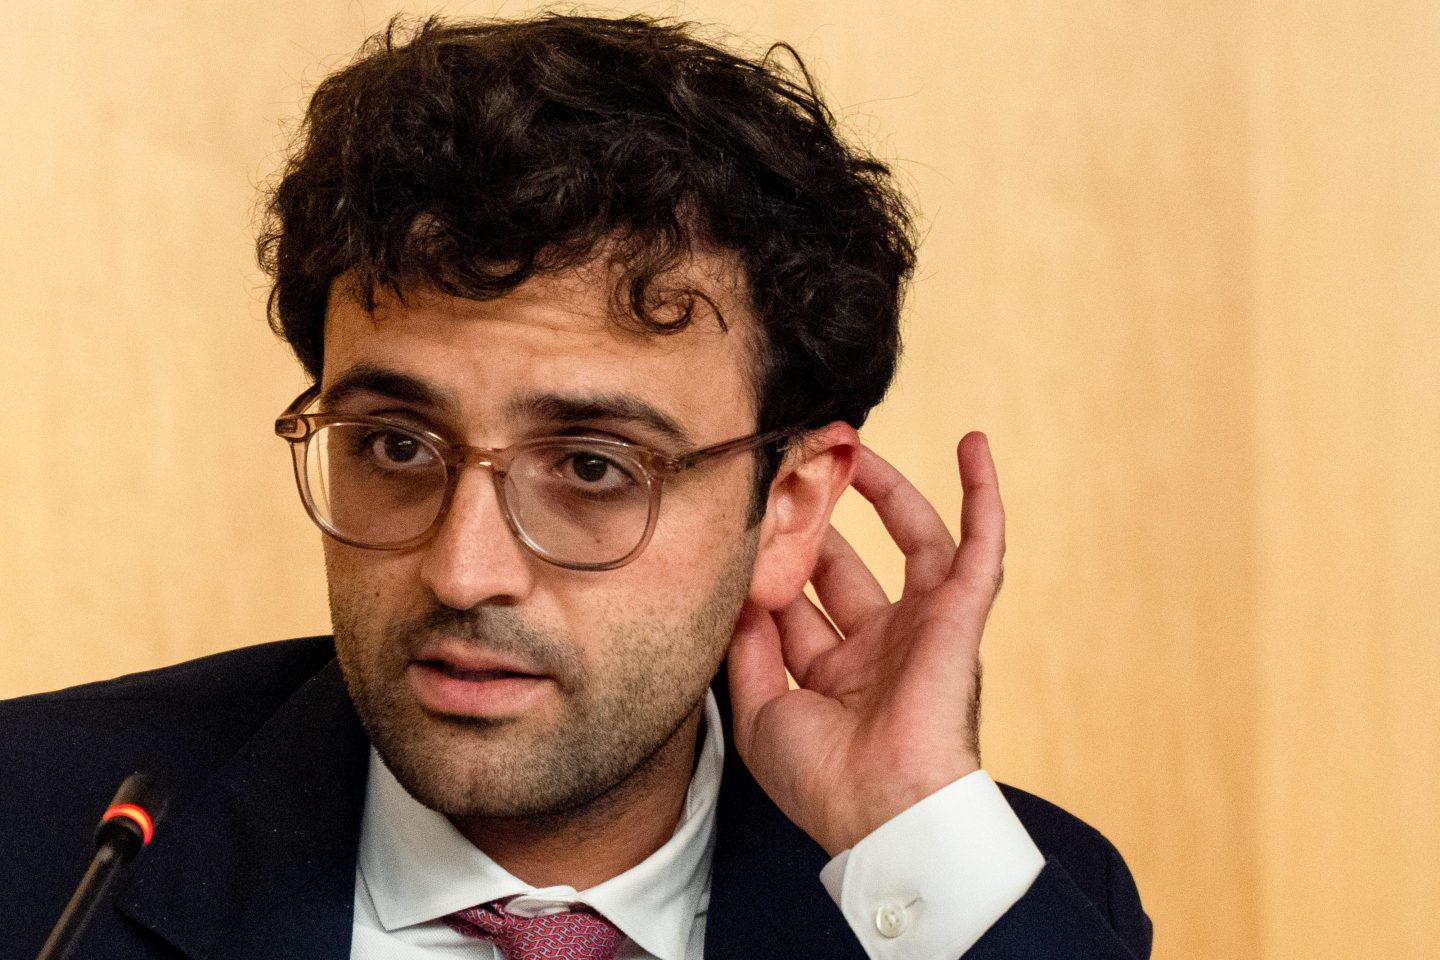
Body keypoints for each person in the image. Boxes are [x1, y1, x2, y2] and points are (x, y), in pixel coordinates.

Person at [0, 14, 1151, 960]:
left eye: (593, 468)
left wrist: (909, 835)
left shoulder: (970, 900)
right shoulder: (35, 838)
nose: (463, 572)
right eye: (395, 446)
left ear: (789, 510)